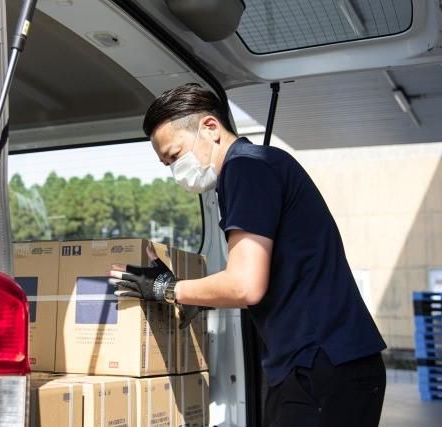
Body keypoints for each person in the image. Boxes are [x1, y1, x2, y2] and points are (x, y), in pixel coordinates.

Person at [108, 83, 387, 426]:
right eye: (167, 164)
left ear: (210, 127)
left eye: (176, 155)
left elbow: (244, 285)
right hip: (325, 364)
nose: (175, 170)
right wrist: (197, 295)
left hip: (321, 364)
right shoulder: (256, 167)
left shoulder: (246, 168)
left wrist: (168, 288)